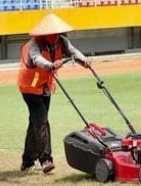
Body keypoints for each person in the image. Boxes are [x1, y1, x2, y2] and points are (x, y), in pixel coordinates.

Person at [17, 13, 91, 174]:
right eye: (53, 34)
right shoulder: (33, 45)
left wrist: (83, 60)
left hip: (44, 87)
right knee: (42, 120)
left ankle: (27, 160)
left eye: (58, 33)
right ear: (45, 34)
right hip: (29, 87)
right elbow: (37, 59)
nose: (57, 36)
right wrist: (51, 64)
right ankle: (46, 159)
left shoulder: (61, 41)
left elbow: (73, 52)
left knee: (36, 122)